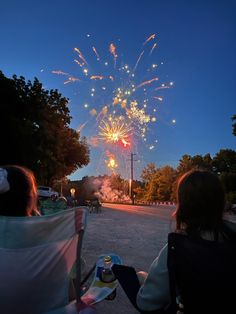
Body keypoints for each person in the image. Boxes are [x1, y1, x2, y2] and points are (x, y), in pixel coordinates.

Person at [136, 169, 236, 312]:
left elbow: (147, 303)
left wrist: (142, 278)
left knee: (139, 275)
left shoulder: (178, 248)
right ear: (220, 201)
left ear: (183, 205)